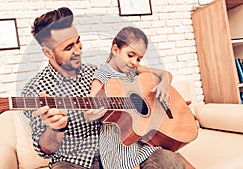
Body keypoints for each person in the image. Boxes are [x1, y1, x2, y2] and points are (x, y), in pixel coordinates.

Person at [22, 7, 185, 169]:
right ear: (48, 53)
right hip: (74, 162)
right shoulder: (34, 89)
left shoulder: (102, 71)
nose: (78, 50)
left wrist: (167, 106)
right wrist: (56, 129)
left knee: (170, 162)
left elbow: (146, 85)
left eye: (78, 41)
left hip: (122, 152)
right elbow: (45, 150)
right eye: (68, 47)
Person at [85, 26, 185, 169]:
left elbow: (165, 74)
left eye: (139, 58)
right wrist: (90, 114)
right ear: (115, 49)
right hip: (117, 142)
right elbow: (93, 102)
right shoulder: (103, 74)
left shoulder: (134, 70)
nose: (135, 62)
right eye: (130, 55)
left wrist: (164, 85)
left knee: (172, 162)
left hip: (142, 141)